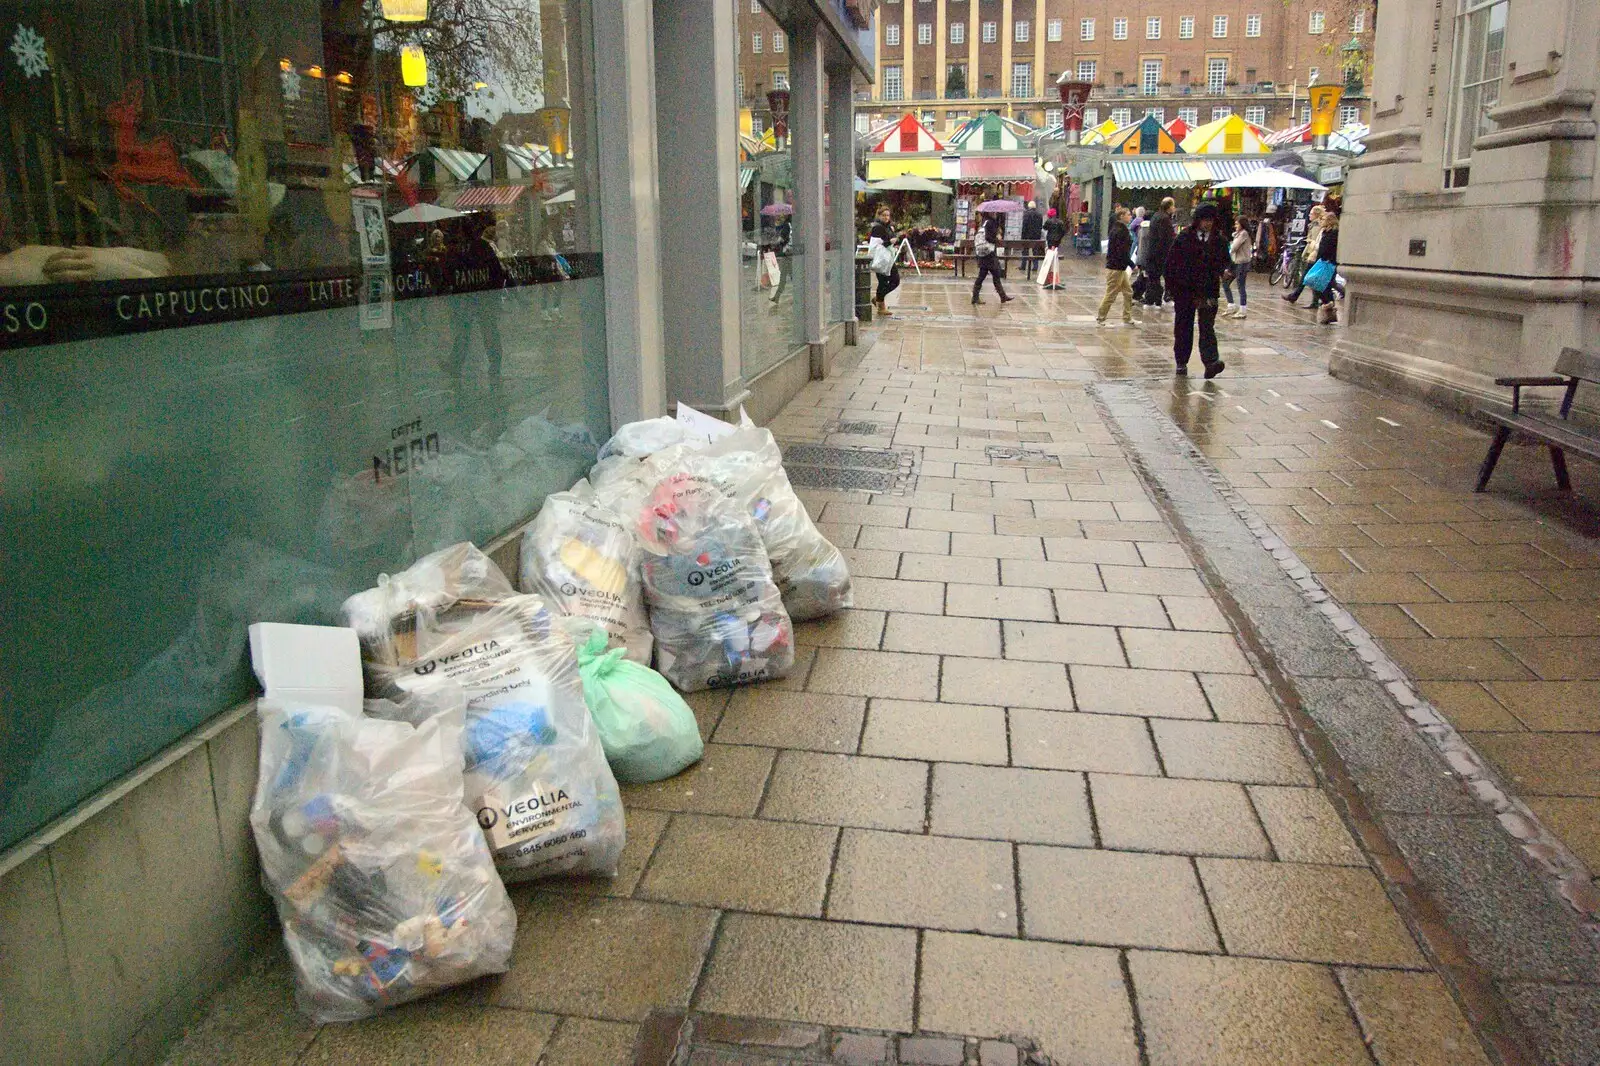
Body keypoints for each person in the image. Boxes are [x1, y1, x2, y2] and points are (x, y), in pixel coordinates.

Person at [1163, 201, 1233, 378]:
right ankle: (1181, 361)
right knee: (1183, 327)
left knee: (1207, 327)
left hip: (1208, 290)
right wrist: (1170, 288)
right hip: (1185, 291)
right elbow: (1171, 264)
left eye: (1210, 220)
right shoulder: (1184, 238)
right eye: (1204, 220)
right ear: (1197, 220)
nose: (1207, 224)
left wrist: (1226, 271)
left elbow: (1225, 262)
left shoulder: (1219, 240)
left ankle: (1211, 362)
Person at [1096, 205, 1135, 326]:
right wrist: (1132, 264)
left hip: (1120, 267)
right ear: (1121, 216)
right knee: (1111, 293)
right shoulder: (1119, 231)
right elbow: (1121, 251)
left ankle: (1127, 317)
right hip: (1116, 267)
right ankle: (1101, 317)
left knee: (1128, 292)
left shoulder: (1120, 229)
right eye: (1128, 214)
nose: (1130, 217)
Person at [1282, 204, 1326, 305]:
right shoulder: (1313, 225)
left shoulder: (1316, 226)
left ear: (1316, 215)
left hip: (1313, 255)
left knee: (1307, 277)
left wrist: (1310, 244)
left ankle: (1296, 296)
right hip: (1313, 254)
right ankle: (1313, 300)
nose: (1309, 215)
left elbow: (1315, 242)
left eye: (1311, 214)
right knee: (1311, 278)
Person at [1138, 197, 1176, 312]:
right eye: (1173, 206)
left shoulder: (1157, 216)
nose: (1174, 208)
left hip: (1154, 253)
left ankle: (1154, 300)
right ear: (1169, 207)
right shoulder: (1164, 219)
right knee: (1161, 277)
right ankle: (1158, 299)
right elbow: (1165, 238)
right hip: (1160, 254)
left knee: (1154, 278)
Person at [868, 204, 902, 317]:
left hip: (888, 258)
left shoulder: (889, 227)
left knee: (895, 280)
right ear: (879, 215)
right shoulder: (877, 227)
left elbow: (889, 240)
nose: (886, 217)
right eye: (884, 215)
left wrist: (895, 240)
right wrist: (890, 242)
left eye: (888, 215)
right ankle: (881, 306)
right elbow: (877, 244)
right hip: (881, 259)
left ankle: (878, 299)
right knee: (883, 281)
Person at [971, 212, 1013, 305]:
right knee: (992, 274)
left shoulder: (985, 222)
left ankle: (1001, 296)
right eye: (993, 212)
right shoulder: (990, 222)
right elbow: (988, 237)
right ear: (989, 213)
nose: (995, 213)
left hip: (985, 253)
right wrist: (997, 240)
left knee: (990, 274)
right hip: (988, 253)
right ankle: (1002, 296)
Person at [1309, 206, 1341, 324]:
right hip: (1329, 262)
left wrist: (1321, 257)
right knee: (1326, 285)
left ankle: (1328, 304)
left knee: (1316, 284)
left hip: (1326, 262)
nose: (1321, 221)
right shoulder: (1332, 233)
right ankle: (1330, 312)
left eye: (1323, 220)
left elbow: (1324, 249)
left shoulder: (1330, 234)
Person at [1223, 216, 1254, 319]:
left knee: (1241, 286)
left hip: (1242, 263)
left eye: (1237, 224)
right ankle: (1231, 305)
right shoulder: (1238, 234)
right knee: (1225, 282)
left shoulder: (1244, 234)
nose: (1235, 226)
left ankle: (1243, 310)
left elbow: (1234, 247)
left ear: (1242, 224)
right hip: (1235, 262)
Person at [1041, 208, 1068, 289]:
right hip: (1057, 242)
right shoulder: (1060, 222)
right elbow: (1063, 231)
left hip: (1050, 241)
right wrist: (1059, 237)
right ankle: (1054, 277)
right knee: (1054, 257)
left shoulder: (1049, 221)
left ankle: (1050, 277)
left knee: (1050, 257)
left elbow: (1044, 228)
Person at [1020, 200, 1044, 274]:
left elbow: (1024, 226)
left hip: (1027, 236)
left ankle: (1023, 265)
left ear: (1029, 207)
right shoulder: (1040, 215)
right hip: (1036, 236)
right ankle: (1035, 266)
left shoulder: (1026, 214)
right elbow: (1040, 226)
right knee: (1035, 251)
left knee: (1025, 251)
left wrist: (1022, 236)